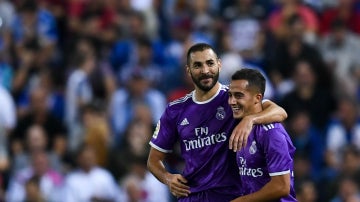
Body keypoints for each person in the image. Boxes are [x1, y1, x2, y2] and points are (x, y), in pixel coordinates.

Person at [147, 43, 287, 201]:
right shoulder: (175, 110)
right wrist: (167, 178)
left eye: (210, 63)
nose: (205, 71)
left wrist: (250, 119)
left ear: (219, 64)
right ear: (188, 70)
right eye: (198, 65)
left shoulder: (234, 97)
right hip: (191, 195)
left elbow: (280, 112)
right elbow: (153, 160)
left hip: (231, 196)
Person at [228, 68, 296, 201]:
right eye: (230, 95)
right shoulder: (242, 125)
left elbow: (282, 186)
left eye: (238, 96)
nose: (231, 101)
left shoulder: (271, 133)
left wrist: (242, 201)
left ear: (257, 98)